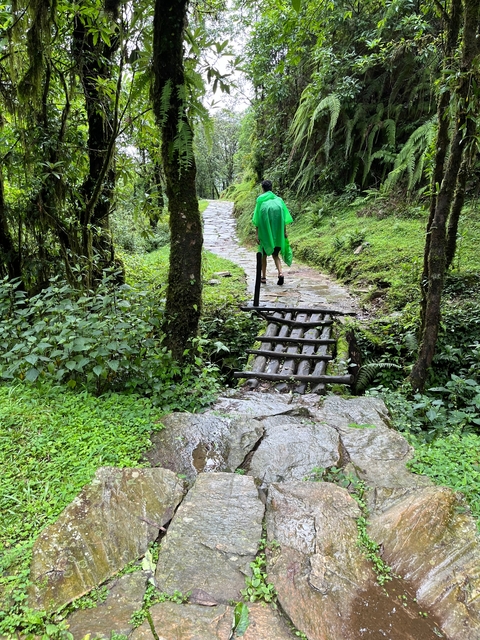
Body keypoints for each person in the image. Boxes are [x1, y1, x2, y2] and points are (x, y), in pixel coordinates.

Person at [252, 179, 293, 285]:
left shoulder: (261, 202)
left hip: (265, 235)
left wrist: (257, 234)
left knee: (263, 256)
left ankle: (264, 277)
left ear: (263, 189)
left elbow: (257, 220)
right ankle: (280, 273)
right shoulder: (279, 201)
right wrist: (284, 232)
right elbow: (283, 218)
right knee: (276, 255)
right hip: (278, 235)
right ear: (271, 188)